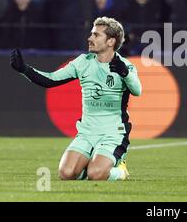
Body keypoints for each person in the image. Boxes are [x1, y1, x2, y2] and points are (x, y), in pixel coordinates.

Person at [10, 17, 142, 181]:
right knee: (67, 173)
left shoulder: (125, 66)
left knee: (96, 175)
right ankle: (94, 163)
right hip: (87, 132)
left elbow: (137, 90)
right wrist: (24, 69)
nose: (90, 38)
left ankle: (121, 171)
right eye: (91, 34)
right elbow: (51, 80)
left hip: (113, 133)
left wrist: (125, 74)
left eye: (96, 35)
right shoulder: (82, 62)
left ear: (110, 41)